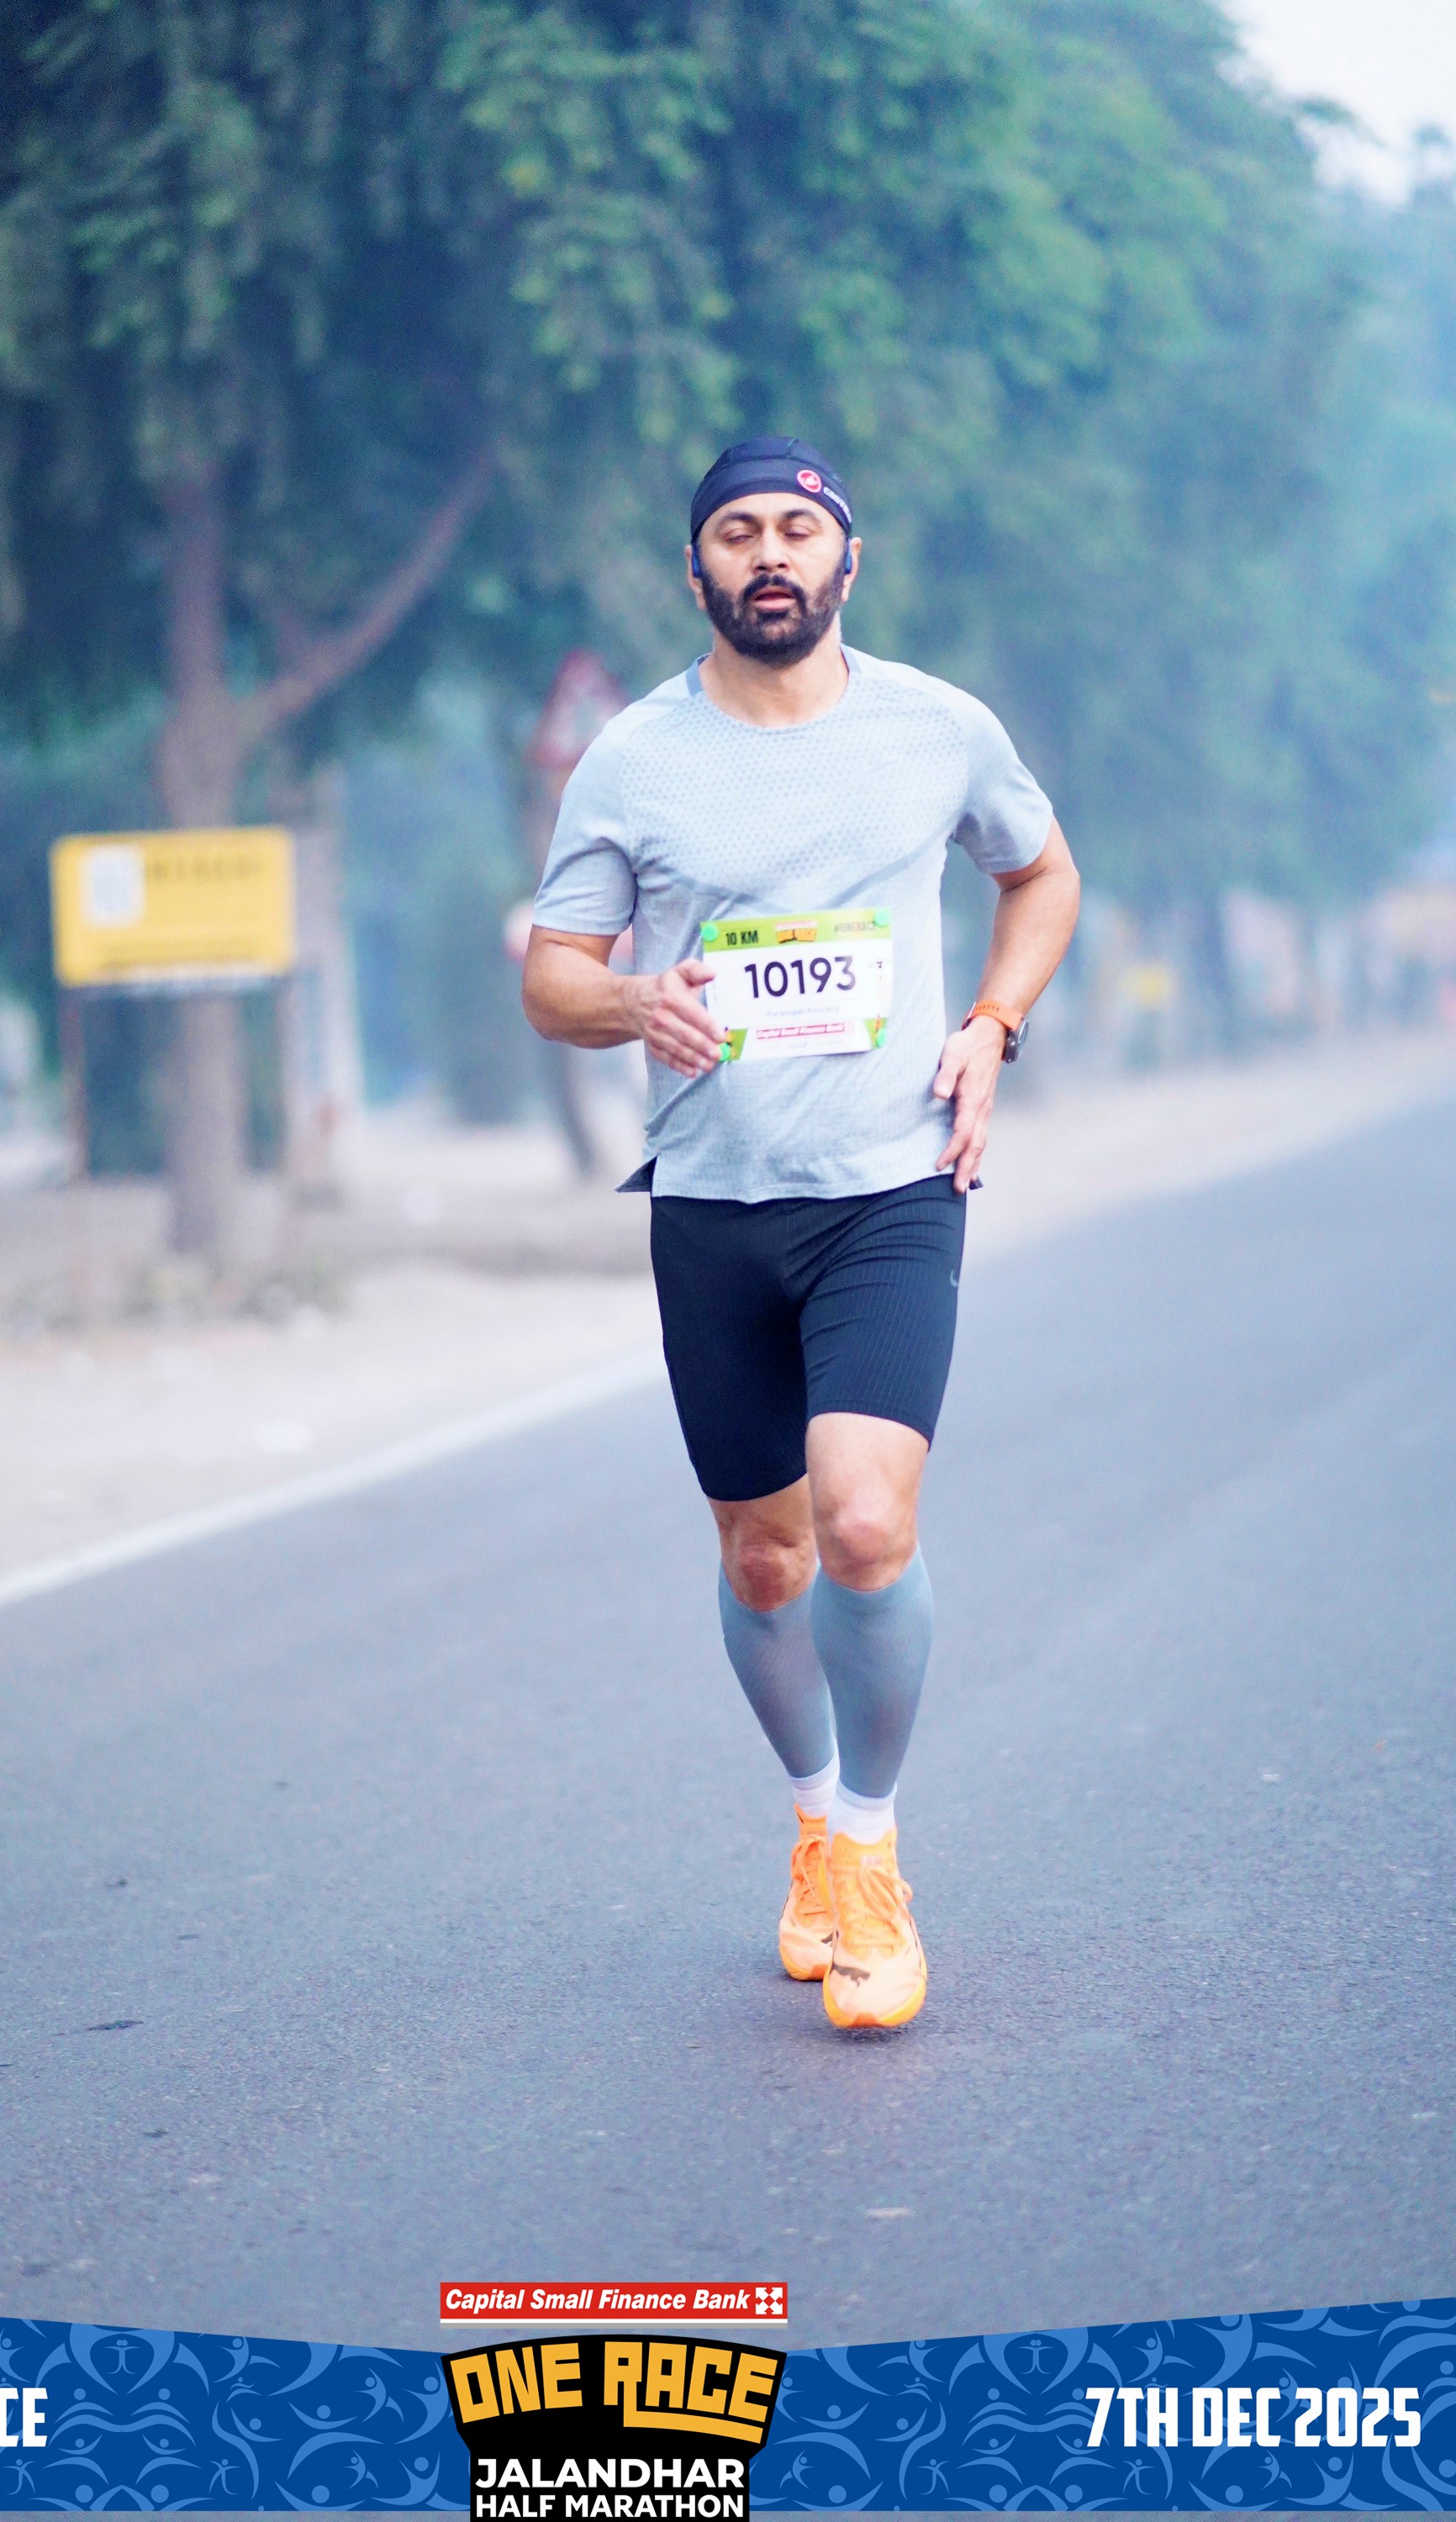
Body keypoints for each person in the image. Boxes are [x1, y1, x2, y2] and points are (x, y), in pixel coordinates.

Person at [521, 437, 1080, 2029]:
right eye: (736, 533)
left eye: (796, 529)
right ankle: (816, 1816)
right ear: (696, 569)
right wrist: (632, 997)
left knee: (864, 1524)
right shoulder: (634, 757)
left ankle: (875, 1859)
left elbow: (1042, 877)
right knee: (764, 1553)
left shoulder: (937, 728)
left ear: (847, 559)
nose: (769, 554)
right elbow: (554, 976)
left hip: (891, 1192)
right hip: (713, 1205)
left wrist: (992, 1024)